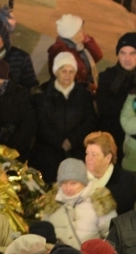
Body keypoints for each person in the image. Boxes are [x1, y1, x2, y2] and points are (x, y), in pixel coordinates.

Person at [31, 52, 96, 182]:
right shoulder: (42, 93)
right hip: (47, 155)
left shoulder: (84, 94)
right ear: (56, 72)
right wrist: (60, 141)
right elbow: (40, 122)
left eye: (71, 71)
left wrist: (72, 140)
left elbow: (90, 121)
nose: (68, 75)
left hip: (76, 152)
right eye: (64, 71)